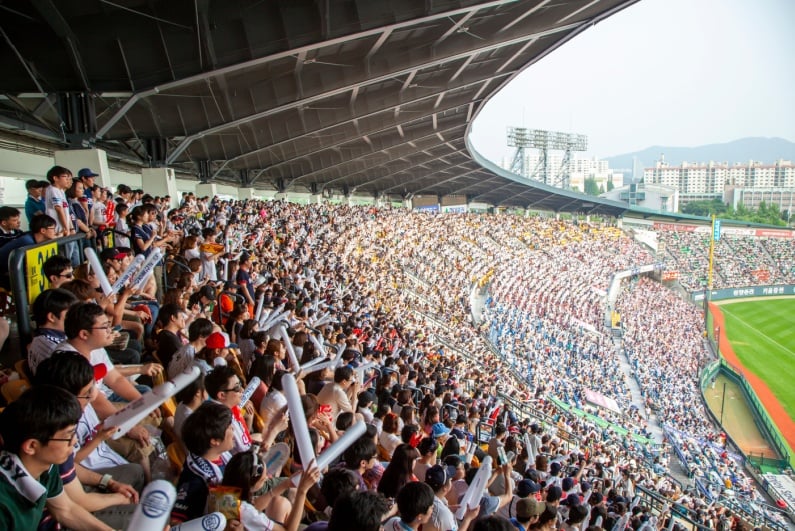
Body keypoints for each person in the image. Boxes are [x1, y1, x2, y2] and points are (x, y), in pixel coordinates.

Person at [0, 386, 115, 530]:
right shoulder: (4, 504)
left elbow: (65, 509)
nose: (75, 441)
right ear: (31, 446)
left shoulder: (46, 465)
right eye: (68, 436)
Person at [171, 401, 234, 524]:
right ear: (214, 441)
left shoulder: (222, 456)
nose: (233, 429)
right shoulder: (195, 480)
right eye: (229, 427)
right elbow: (176, 522)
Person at [0, 214, 57, 290]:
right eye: (53, 228)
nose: (55, 231)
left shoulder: (32, 237)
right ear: (43, 230)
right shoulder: (27, 242)